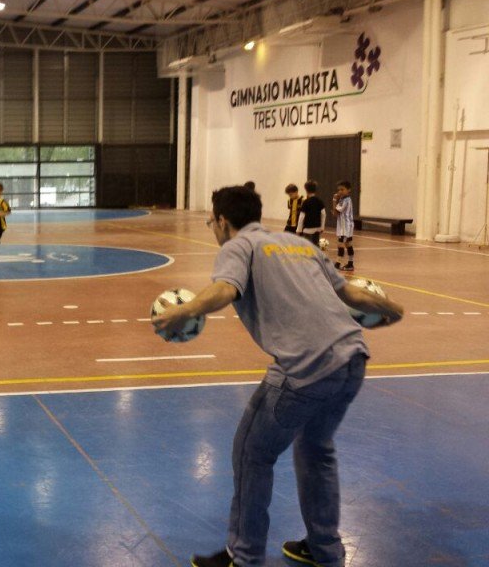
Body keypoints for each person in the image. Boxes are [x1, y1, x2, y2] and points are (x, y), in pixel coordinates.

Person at [151, 186, 404, 567]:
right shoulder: (297, 243)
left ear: (222, 221)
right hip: (353, 360)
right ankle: (325, 549)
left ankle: (245, 556)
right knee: (316, 450)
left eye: (211, 222)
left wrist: (183, 312)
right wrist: (390, 308)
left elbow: (224, 289)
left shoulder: (238, 247)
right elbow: (349, 293)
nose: (212, 228)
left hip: (305, 370)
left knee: (252, 453)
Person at [333, 180, 355, 271]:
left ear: (348, 190)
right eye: (339, 190)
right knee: (348, 244)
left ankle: (338, 264)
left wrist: (334, 200)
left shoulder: (347, 200)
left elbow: (337, 211)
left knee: (341, 244)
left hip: (346, 226)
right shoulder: (342, 199)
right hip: (342, 226)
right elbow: (335, 213)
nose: (340, 192)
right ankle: (350, 263)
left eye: (342, 189)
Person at [296, 180, 327, 246]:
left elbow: (301, 217)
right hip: (317, 229)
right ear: (315, 190)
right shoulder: (319, 201)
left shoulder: (305, 202)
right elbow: (323, 214)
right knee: (316, 246)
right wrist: (322, 227)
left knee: (307, 247)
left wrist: (298, 230)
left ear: (306, 190)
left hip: (307, 229)